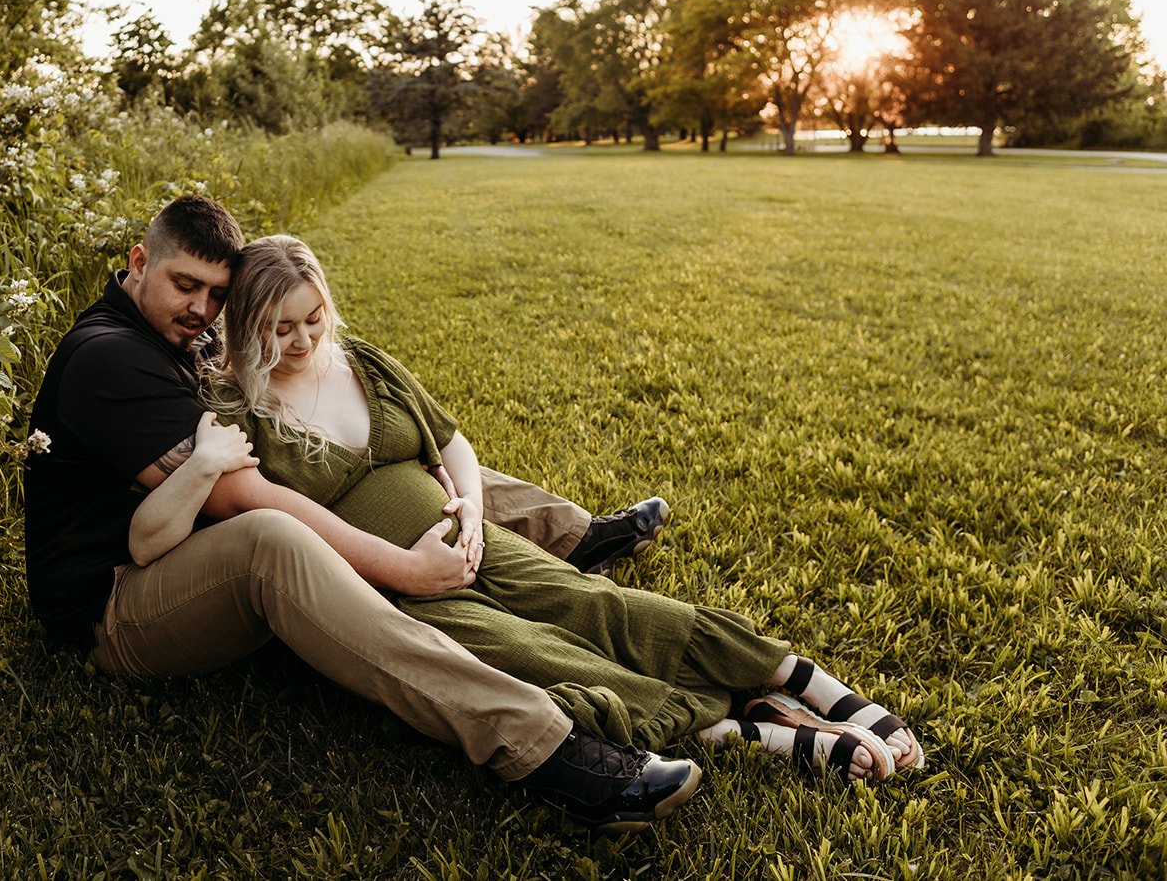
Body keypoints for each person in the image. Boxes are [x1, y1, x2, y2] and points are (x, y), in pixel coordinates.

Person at [23, 196, 703, 832]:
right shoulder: (109, 359)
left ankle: (577, 538)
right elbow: (246, 495)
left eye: (217, 295)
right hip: (116, 604)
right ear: (138, 264)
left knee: (385, 455)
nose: (201, 308)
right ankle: (546, 748)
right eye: (184, 284)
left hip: (181, 556)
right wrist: (403, 565)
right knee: (274, 536)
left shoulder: (170, 330)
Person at [150, 233, 923, 784]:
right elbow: (283, 513)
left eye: (312, 318)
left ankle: (802, 679)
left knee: (592, 602)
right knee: (533, 652)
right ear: (245, 322)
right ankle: (737, 727)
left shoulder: (360, 361)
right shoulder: (229, 404)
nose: (300, 339)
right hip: (386, 584)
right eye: (278, 327)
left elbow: (451, 442)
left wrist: (475, 515)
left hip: (466, 541)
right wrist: (414, 570)